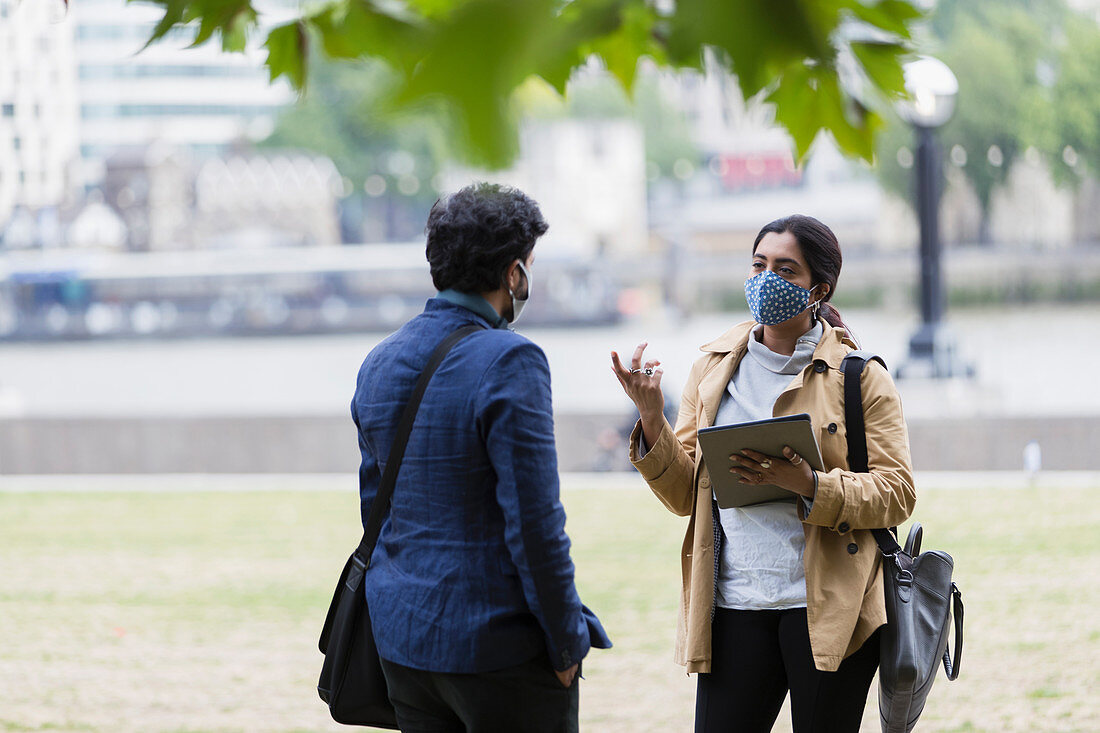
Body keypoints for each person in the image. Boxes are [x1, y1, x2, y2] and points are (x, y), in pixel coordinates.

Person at [610, 215, 915, 733]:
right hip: (733, 606)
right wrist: (650, 419)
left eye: (785, 269)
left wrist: (810, 486)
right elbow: (686, 494)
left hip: (828, 611)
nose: (766, 278)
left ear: (819, 288)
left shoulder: (860, 377)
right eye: (759, 265)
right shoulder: (713, 367)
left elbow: (897, 493)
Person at [351, 182, 610, 733]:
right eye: (530, 265)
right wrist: (566, 643)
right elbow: (536, 522)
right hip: (497, 647)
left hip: (403, 642)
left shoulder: (381, 359)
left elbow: (376, 509)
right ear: (514, 274)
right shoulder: (511, 359)